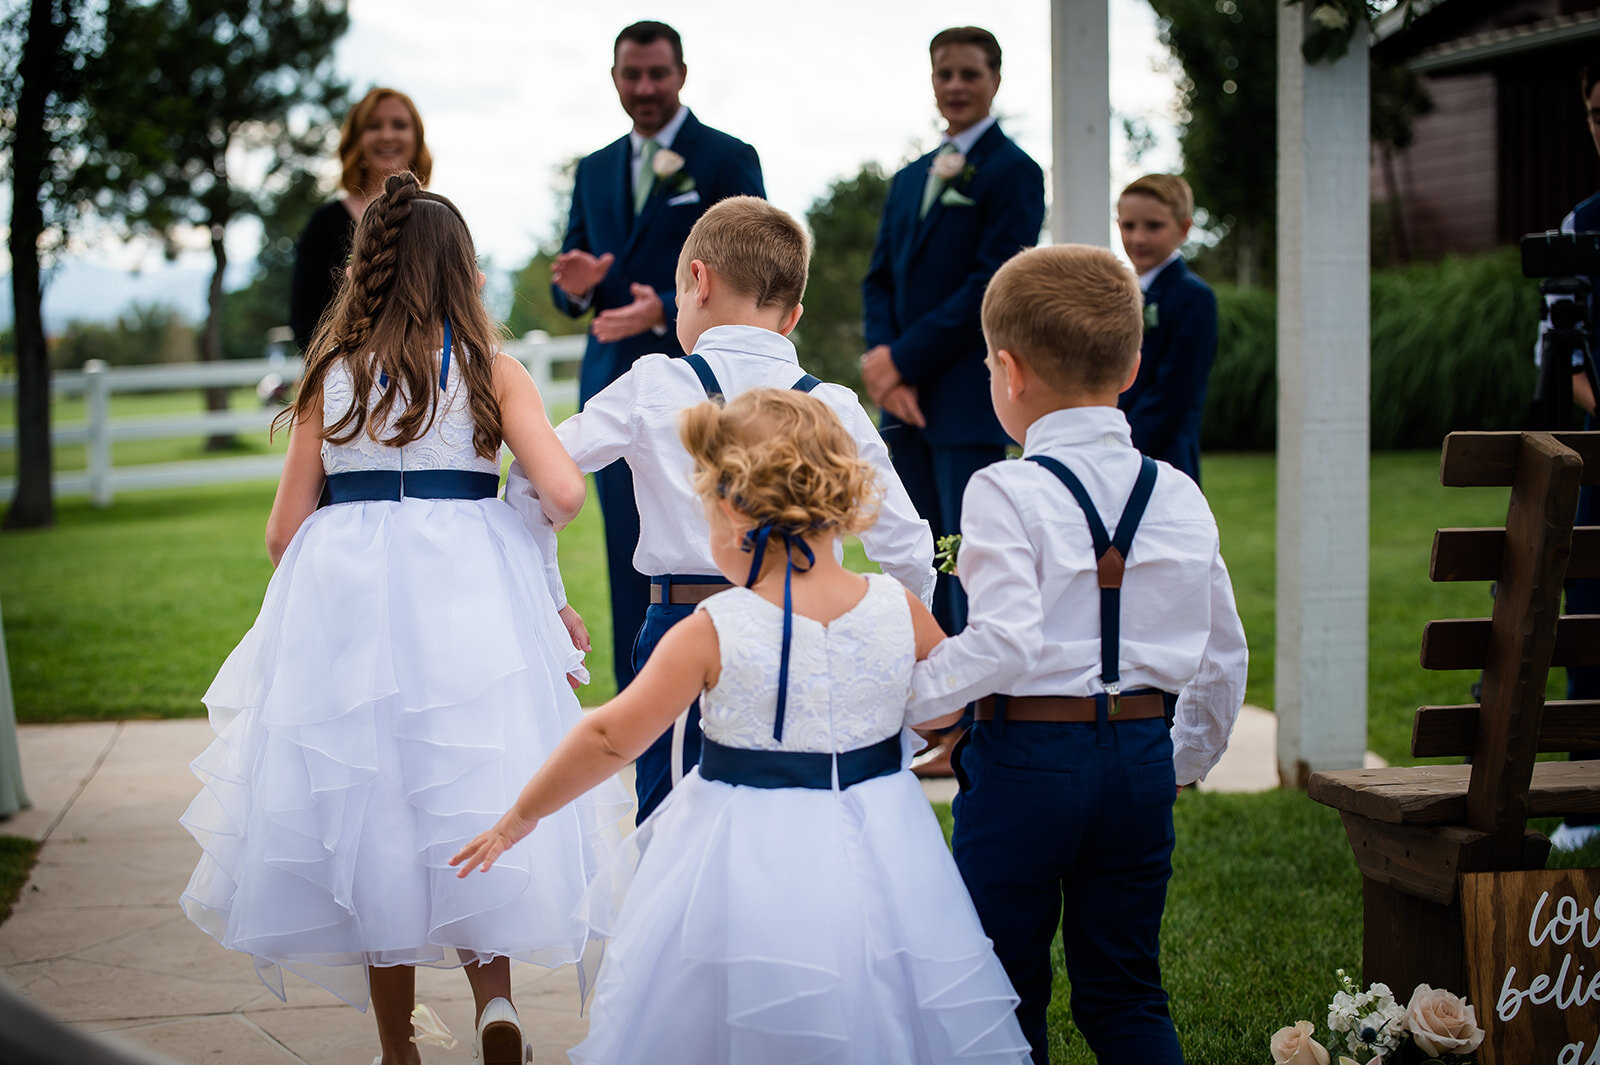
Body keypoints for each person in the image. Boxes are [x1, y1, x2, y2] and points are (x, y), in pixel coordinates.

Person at [180, 173, 630, 1065]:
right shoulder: (491, 372)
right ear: (462, 272)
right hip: (468, 601)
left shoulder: (331, 375)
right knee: (472, 785)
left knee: (374, 812)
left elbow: (282, 532)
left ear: (369, 268)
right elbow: (568, 489)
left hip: (348, 612)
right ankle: (495, 1005)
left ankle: (398, 1047)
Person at [456, 388, 1031, 1065]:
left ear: (731, 513)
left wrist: (517, 817)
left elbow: (610, 736)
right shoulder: (896, 606)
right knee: (876, 997)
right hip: (883, 846)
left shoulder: (713, 628)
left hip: (746, 859)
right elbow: (942, 709)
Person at [907, 245, 1248, 1065]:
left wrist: (910, 700)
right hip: (1138, 761)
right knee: (1127, 991)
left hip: (1025, 765)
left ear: (1008, 371)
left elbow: (1006, 639)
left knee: (1000, 986)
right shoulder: (1178, 491)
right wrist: (1177, 761)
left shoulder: (1004, 487)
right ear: (1132, 366)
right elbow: (1222, 656)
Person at [509, 196, 934, 824]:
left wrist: (552, 597)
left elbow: (531, 477)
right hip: (813, 632)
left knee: (670, 831)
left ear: (698, 281)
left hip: (685, 627)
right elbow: (907, 548)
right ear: (792, 318)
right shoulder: (837, 407)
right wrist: (884, 646)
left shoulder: (652, 385)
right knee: (798, 818)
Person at [552, 20, 766, 698]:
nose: (644, 88)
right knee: (627, 550)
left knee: (720, 537)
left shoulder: (728, 158)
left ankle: (736, 680)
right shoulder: (593, 169)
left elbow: (759, 268)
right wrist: (573, 285)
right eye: (630, 75)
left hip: (711, 392)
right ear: (615, 78)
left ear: (681, 73)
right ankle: (636, 695)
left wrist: (663, 312)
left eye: (656, 74)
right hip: (614, 381)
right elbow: (570, 288)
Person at [860, 25, 1045, 776]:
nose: (955, 85)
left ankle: (971, 724)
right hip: (902, 402)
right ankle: (927, 713)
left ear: (994, 79)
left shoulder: (1014, 171)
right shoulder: (909, 178)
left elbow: (988, 284)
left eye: (969, 72)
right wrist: (883, 365)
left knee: (968, 559)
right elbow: (879, 279)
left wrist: (900, 358)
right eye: (944, 73)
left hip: (967, 395)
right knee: (915, 554)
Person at [1539, 59, 1600, 852]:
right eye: (1594, 110)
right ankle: (1588, 796)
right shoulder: (1579, 225)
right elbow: (1564, 357)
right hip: (1598, 461)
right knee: (1589, 621)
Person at [290, 87, 432, 355]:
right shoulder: (324, 223)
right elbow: (304, 321)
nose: (387, 135)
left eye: (399, 125)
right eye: (374, 126)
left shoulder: (437, 218)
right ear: (357, 139)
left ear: (416, 138)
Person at [1116, 173, 1219, 485]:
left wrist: (1118, 449)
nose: (1139, 239)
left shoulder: (1193, 298)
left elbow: (1174, 393)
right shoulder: (1114, 292)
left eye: (1154, 226)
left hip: (1162, 460)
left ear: (1184, 228)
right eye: (1128, 226)